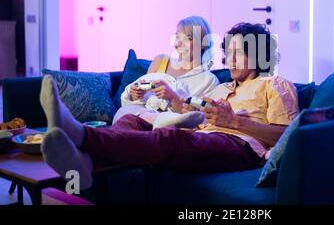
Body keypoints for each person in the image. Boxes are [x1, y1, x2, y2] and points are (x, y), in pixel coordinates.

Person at [40, 23, 299, 189]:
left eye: (238, 53)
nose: (229, 60)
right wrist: (177, 104)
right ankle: (85, 165)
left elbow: (287, 134)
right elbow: (194, 115)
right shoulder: (223, 88)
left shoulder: (276, 85)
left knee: (170, 139)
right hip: (202, 133)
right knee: (136, 121)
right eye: (227, 53)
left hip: (240, 146)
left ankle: (81, 135)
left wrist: (234, 122)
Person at [112, 15, 219, 127]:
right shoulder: (161, 60)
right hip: (143, 114)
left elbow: (201, 118)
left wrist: (172, 98)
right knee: (123, 113)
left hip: (174, 123)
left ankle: (161, 121)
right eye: (178, 37)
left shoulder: (209, 80)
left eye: (188, 38)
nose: (179, 44)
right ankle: (156, 120)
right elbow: (144, 94)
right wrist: (136, 94)